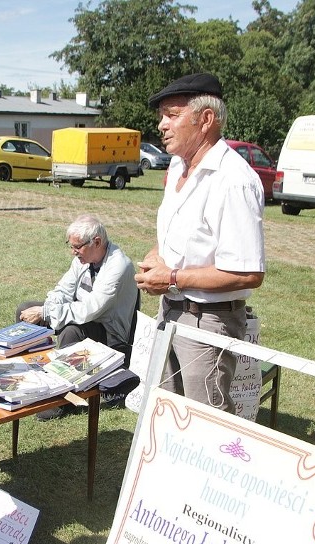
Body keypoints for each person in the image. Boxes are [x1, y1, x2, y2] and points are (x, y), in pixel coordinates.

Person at [134, 72, 265, 413]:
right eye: (162, 115)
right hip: (171, 310)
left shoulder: (234, 180)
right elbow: (182, 235)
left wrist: (173, 277)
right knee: (163, 413)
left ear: (205, 119)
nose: (162, 125)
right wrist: (158, 254)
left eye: (172, 115)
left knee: (203, 425)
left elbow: (248, 274)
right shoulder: (178, 167)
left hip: (208, 321)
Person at [18, 214, 137, 352]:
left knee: (71, 331)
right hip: (79, 314)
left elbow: (91, 309)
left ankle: (61, 372)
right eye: (71, 246)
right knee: (26, 309)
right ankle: (30, 366)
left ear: (97, 242)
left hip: (109, 332)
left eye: (77, 247)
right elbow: (64, 290)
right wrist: (47, 308)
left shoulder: (118, 266)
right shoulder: (83, 258)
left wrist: (46, 312)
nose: (73, 252)